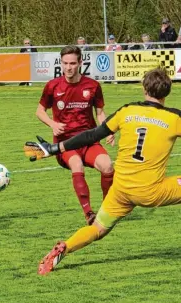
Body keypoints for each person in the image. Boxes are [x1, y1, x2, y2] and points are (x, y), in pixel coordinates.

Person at [24, 68, 181, 275]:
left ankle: (62, 249)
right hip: (151, 192)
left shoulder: (127, 111)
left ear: (144, 89)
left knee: (97, 228)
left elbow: (92, 135)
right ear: (167, 93)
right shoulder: (175, 117)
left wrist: (55, 148)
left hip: (120, 189)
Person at [32, 45, 114, 225]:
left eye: (72, 63)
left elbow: (100, 113)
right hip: (65, 144)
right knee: (77, 165)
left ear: (80, 63)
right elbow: (39, 111)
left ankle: (108, 209)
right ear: (61, 63)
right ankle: (89, 213)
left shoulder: (92, 86)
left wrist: (108, 130)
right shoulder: (53, 86)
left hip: (90, 141)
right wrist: (52, 124)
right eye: (65, 63)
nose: (68, 67)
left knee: (108, 167)